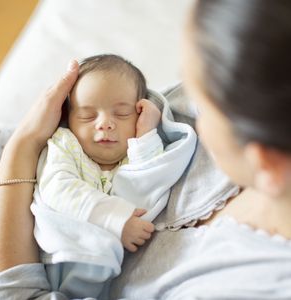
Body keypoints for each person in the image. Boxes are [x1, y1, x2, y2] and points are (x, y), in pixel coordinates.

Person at [0, 0, 291, 298]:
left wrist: (19, 157)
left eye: (202, 100)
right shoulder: (275, 103)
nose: (180, 104)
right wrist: (22, 166)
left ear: (264, 161)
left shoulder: (258, 285)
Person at [30, 54, 196, 298]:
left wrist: (146, 134)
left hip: (112, 272)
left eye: (122, 114)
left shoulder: (136, 153)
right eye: (87, 116)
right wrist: (116, 219)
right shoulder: (66, 145)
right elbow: (58, 188)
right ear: (68, 119)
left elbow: (148, 182)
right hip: (60, 255)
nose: (105, 124)